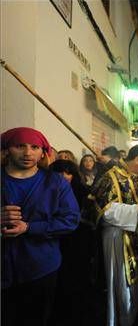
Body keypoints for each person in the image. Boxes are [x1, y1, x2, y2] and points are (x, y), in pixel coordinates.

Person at [1, 127, 80, 326]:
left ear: (43, 152)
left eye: (34, 147)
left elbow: (70, 219)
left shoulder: (55, 183)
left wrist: (29, 227)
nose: (28, 153)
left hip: (40, 267)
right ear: (7, 149)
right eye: (20, 146)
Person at [91, 145, 138, 326]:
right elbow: (103, 211)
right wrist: (135, 210)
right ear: (137, 159)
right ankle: (125, 317)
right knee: (124, 279)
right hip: (120, 237)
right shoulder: (111, 177)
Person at [49, 159, 93, 326]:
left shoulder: (82, 191)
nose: (64, 176)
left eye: (68, 173)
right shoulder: (45, 192)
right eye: (60, 172)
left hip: (78, 242)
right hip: (55, 241)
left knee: (76, 279)